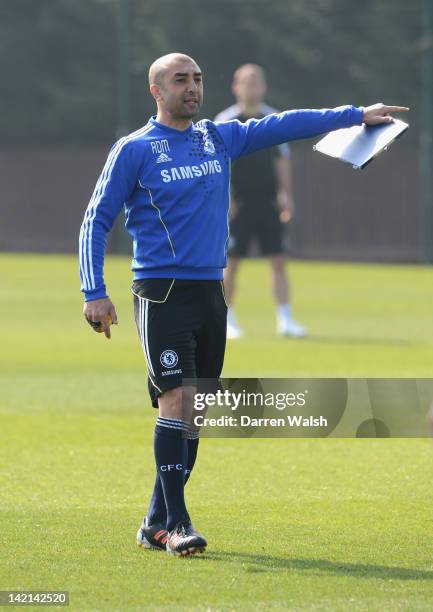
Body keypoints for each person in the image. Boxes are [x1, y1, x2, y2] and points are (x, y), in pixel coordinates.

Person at [78, 52, 408, 556]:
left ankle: (153, 522)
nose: (192, 87)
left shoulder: (218, 136)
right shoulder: (135, 149)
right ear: (156, 90)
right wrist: (93, 291)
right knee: (176, 402)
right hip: (161, 292)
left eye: (197, 79)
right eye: (180, 80)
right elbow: (95, 219)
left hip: (212, 293)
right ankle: (177, 525)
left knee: (195, 412)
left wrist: (354, 115)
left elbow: (284, 124)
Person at [215, 64, 305, 339]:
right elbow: (218, 164)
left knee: (278, 259)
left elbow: (282, 160)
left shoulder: (272, 119)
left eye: (257, 83)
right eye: (247, 82)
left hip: (268, 202)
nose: (252, 88)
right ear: (236, 86)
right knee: (232, 262)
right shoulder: (226, 121)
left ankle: (285, 319)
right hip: (238, 203)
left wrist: (285, 195)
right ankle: (227, 320)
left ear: (264, 87)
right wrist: (225, 199)